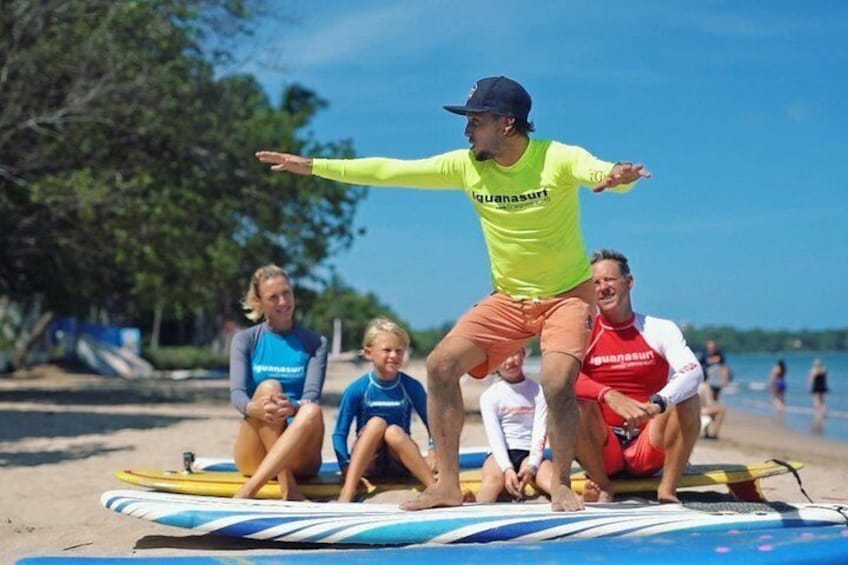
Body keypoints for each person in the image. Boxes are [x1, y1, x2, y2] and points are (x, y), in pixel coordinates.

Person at [255, 75, 650, 512]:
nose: (466, 131)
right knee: (441, 365)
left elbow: (601, 171)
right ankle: (445, 485)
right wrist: (314, 166)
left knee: (557, 383)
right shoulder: (468, 166)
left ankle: (559, 484)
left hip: (567, 296)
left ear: (505, 123)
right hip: (509, 298)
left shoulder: (556, 157)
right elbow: (391, 170)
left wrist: (620, 177)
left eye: (475, 121)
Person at [575, 249, 702, 503]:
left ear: (629, 282)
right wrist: (608, 395)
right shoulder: (582, 333)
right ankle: (603, 487)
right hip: (603, 449)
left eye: (609, 280)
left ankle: (667, 490)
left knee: (689, 397)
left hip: (648, 443)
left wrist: (656, 405)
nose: (603, 288)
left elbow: (693, 371)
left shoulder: (658, 328)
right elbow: (561, 378)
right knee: (574, 400)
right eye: (596, 283)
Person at [229, 265, 329, 500]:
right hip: (255, 455)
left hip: (300, 456)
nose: (283, 301)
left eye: (287, 293)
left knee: (312, 410)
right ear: (259, 301)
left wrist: (293, 407)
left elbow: (312, 395)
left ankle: (252, 491)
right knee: (268, 388)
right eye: (273, 297)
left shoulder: (315, 342)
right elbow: (237, 393)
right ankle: (287, 488)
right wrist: (254, 408)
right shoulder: (246, 340)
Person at [332, 318, 435, 502]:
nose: (394, 355)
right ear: (368, 353)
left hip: (400, 461)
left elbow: (433, 424)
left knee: (394, 431)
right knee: (376, 424)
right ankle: (347, 492)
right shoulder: (358, 388)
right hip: (367, 463)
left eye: (399, 351)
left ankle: (434, 488)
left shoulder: (411, 387)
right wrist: (344, 464)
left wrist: (434, 451)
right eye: (387, 350)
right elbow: (339, 433)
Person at [475, 347, 553, 503]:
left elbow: (540, 432)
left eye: (514, 353)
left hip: (530, 453)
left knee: (550, 480)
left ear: (523, 354)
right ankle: (475, 505)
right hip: (499, 455)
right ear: (493, 365)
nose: (510, 361)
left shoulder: (539, 392)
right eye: (502, 357)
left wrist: (532, 466)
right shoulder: (490, 396)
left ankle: (582, 499)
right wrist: (507, 468)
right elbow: (494, 437)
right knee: (492, 481)